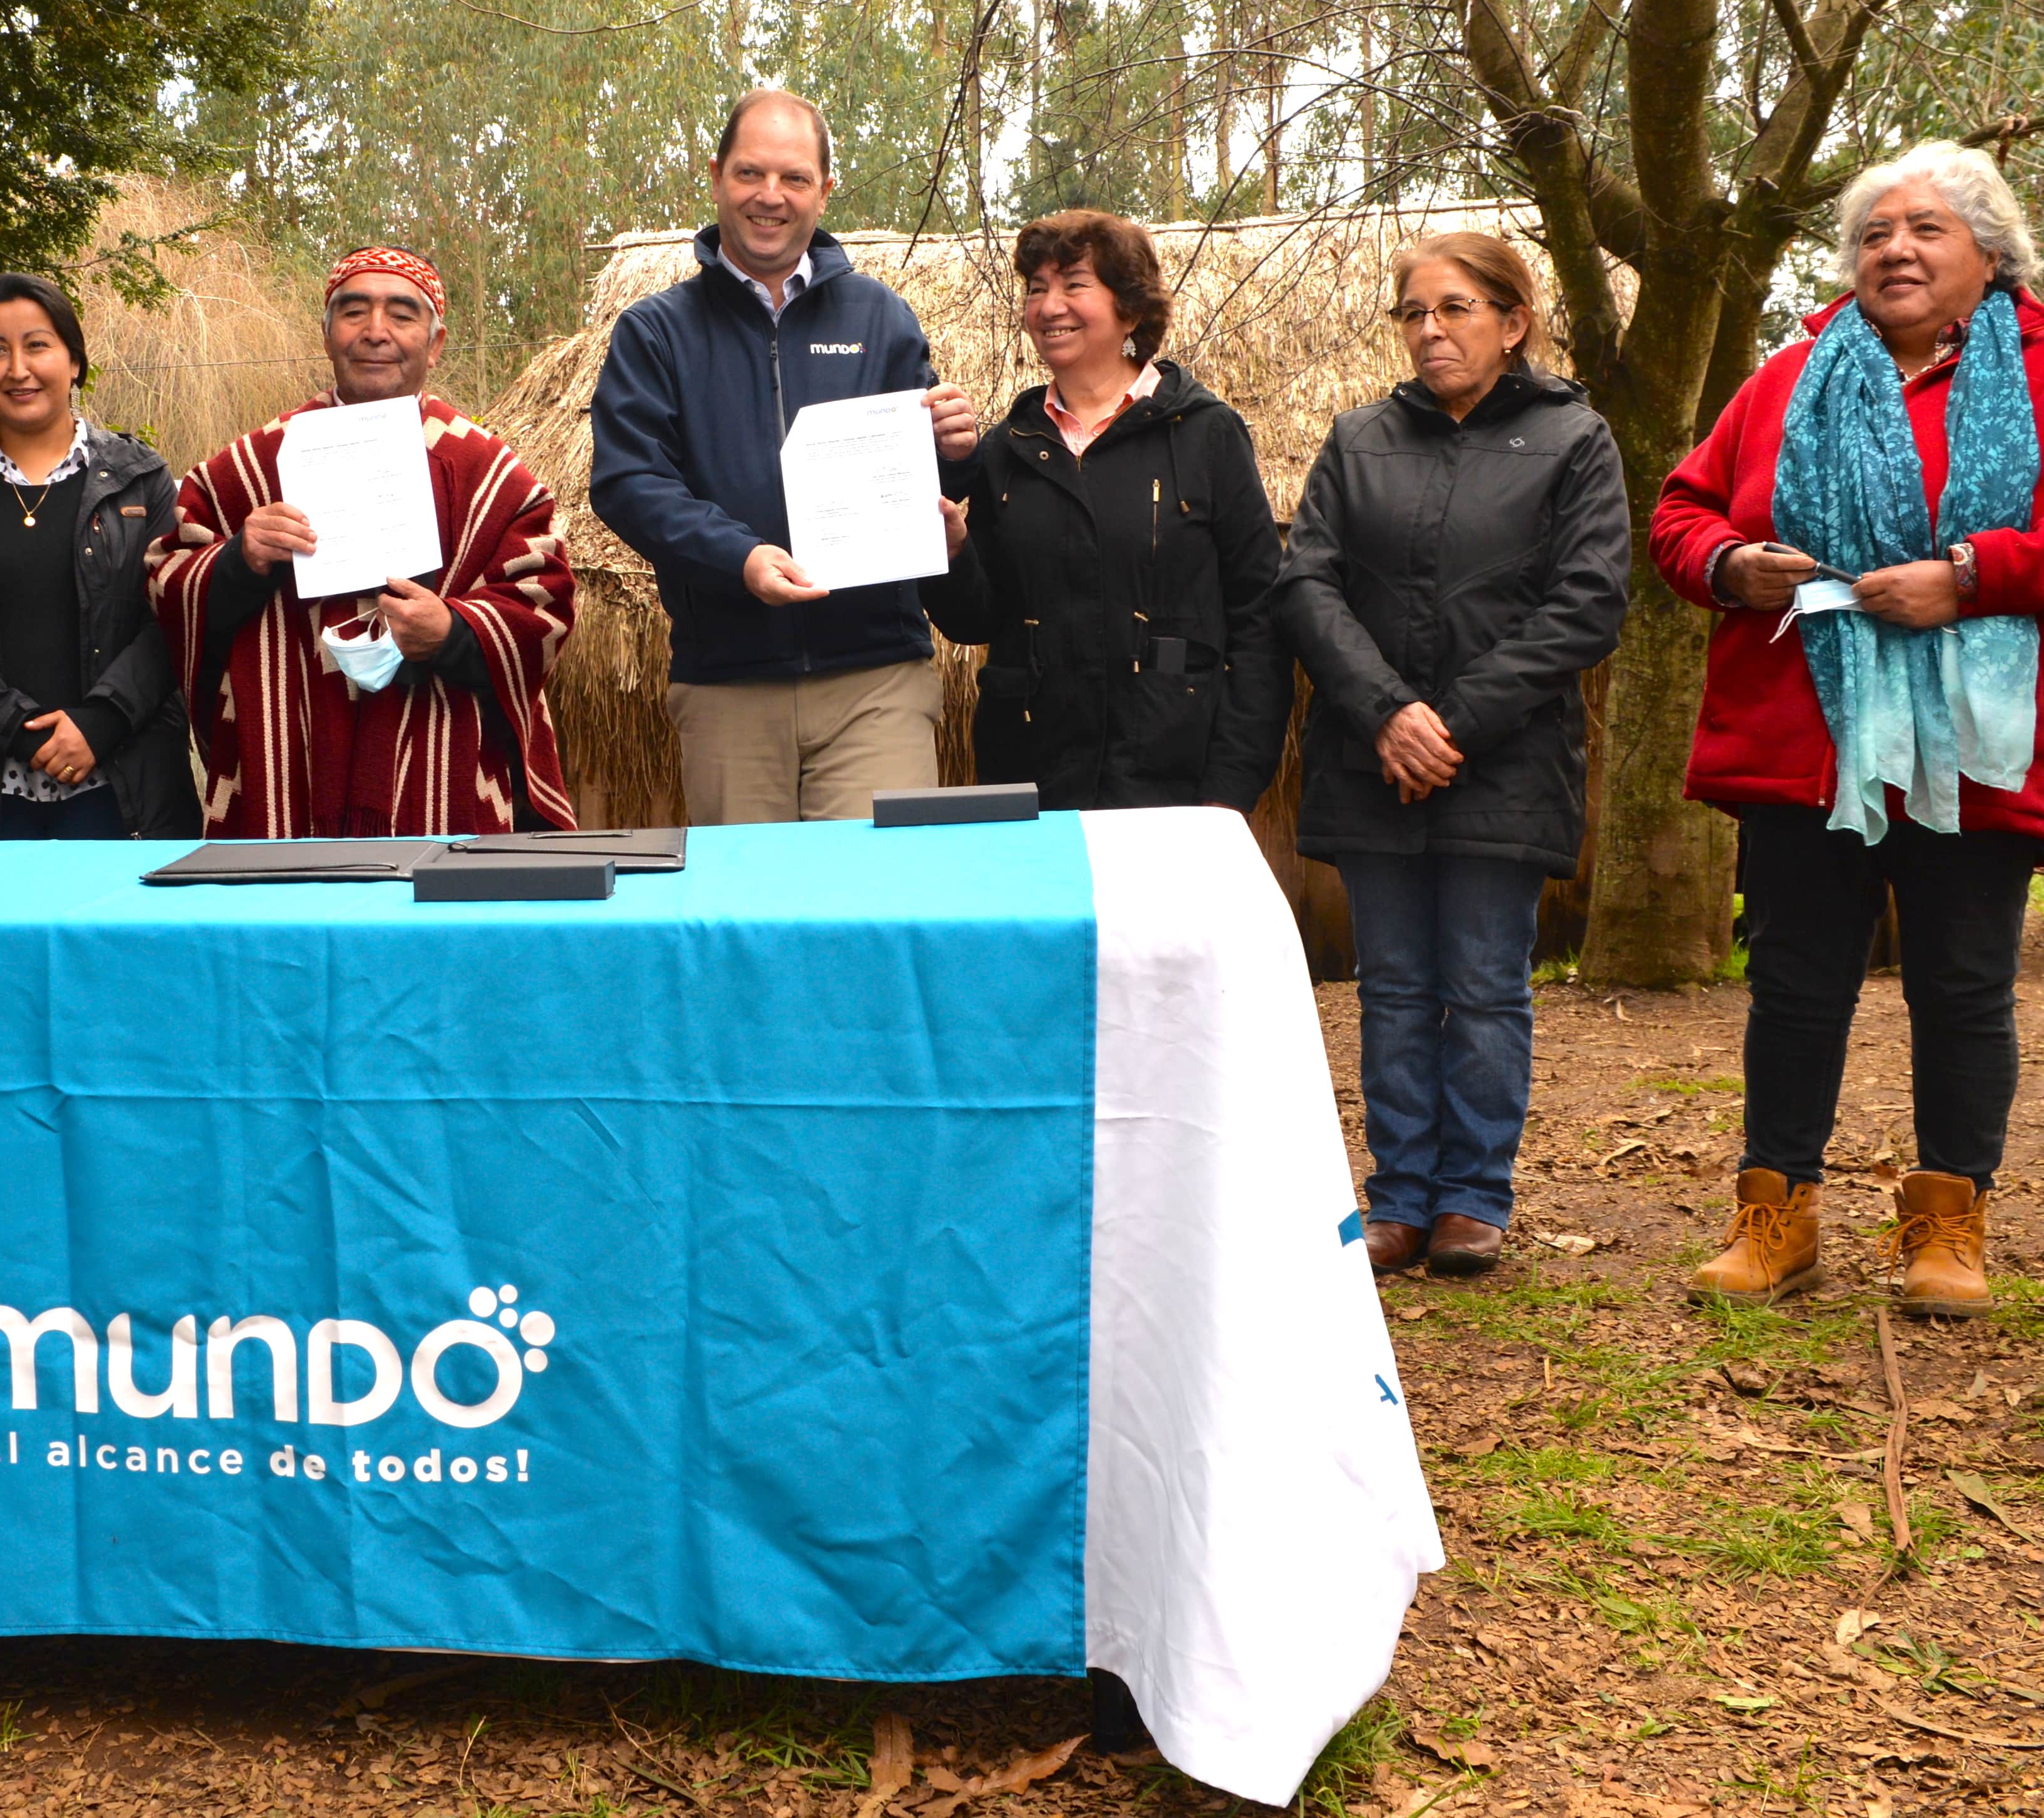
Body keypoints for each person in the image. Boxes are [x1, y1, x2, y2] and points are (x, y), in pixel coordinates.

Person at [1654, 141, 2044, 1316]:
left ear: (1989, 255)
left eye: (1923, 229)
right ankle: (1772, 1218)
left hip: (1968, 749)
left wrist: (1969, 576)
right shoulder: (1787, 377)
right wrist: (1730, 564)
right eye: (1873, 233)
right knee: (1792, 985)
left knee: (1959, 986)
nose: (1891, 248)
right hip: (1804, 742)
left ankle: (1945, 1230)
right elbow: (1680, 513)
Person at [1278, 232, 1630, 1280]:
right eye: (1413, 312)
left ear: (1511, 322)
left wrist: (1451, 722)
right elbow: (1305, 583)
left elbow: (1586, 603)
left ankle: (1472, 1199)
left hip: (1503, 762)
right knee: (1389, 985)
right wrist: (1388, 712)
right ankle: (1398, 1196)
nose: (1430, 330)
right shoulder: (1357, 439)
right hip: (1371, 755)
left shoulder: (1572, 439)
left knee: (1481, 982)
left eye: (1456, 308)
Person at [589, 90, 979, 822]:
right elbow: (627, 483)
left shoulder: (881, 315)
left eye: (795, 178)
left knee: (878, 913)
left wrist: (955, 454)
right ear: (715, 177)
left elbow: (926, 478)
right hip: (728, 684)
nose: (771, 197)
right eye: (750, 174)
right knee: (750, 923)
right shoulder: (655, 332)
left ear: (825, 190)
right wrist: (740, 558)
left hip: (877, 681)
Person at [146, 247, 578, 837]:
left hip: (441, 777)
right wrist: (237, 560)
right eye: (354, 312)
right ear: (326, 335)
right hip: (283, 769)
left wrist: (455, 633)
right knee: (287, 928)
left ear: (436, 341)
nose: (377, 332)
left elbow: (545, 606)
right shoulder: (248, 469)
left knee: (430, 929)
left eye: (402, 314)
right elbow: (168, 575)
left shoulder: (491, 476)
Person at [920, 210, 1290, 812]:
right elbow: (977, 624)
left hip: (1174, 782)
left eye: (1074, 284)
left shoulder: (1207, 434)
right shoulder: (1007, 448)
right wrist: (955, 552)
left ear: (1132, 309)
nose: (1048, 305)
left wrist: (1231, 785)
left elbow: (1260, 617)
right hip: (1031, 785)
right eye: (1036, 288)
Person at [0, 274, 195, 839]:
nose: (18, 369)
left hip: (122, 788)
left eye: (38, 345)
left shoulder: (141, 479)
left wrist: (101, 723)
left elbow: (173, 615)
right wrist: (26, 732)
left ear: (74, 362)